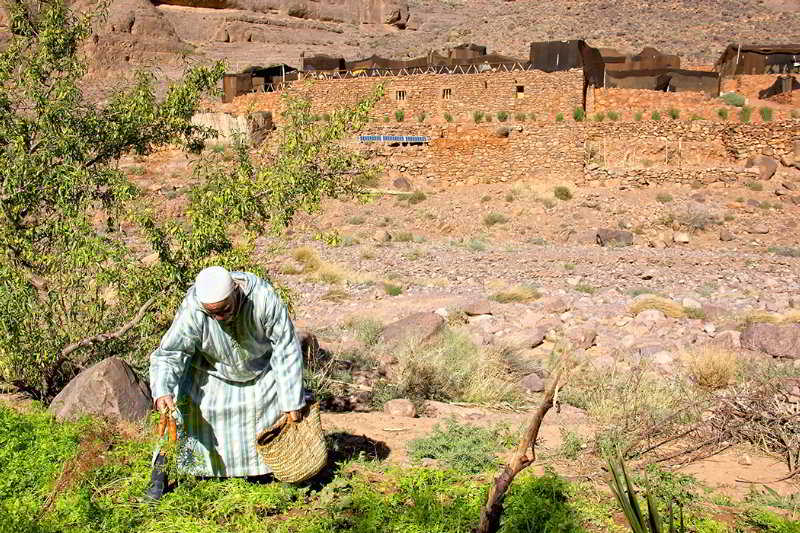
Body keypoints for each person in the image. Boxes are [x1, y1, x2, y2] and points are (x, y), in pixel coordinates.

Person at [146, 266, 305, 499]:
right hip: (211, 372)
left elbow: (285, 347)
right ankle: (159, 480)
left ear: (235, 291)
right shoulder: (194, 308)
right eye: (213, 314)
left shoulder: (262, 298)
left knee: (279, 407)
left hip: (261, 372)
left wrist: (292, 401)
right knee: (182, 407)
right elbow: (171, 353)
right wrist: (163, 391)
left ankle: (277, 470)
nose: (219, 318)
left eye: (224, 310)